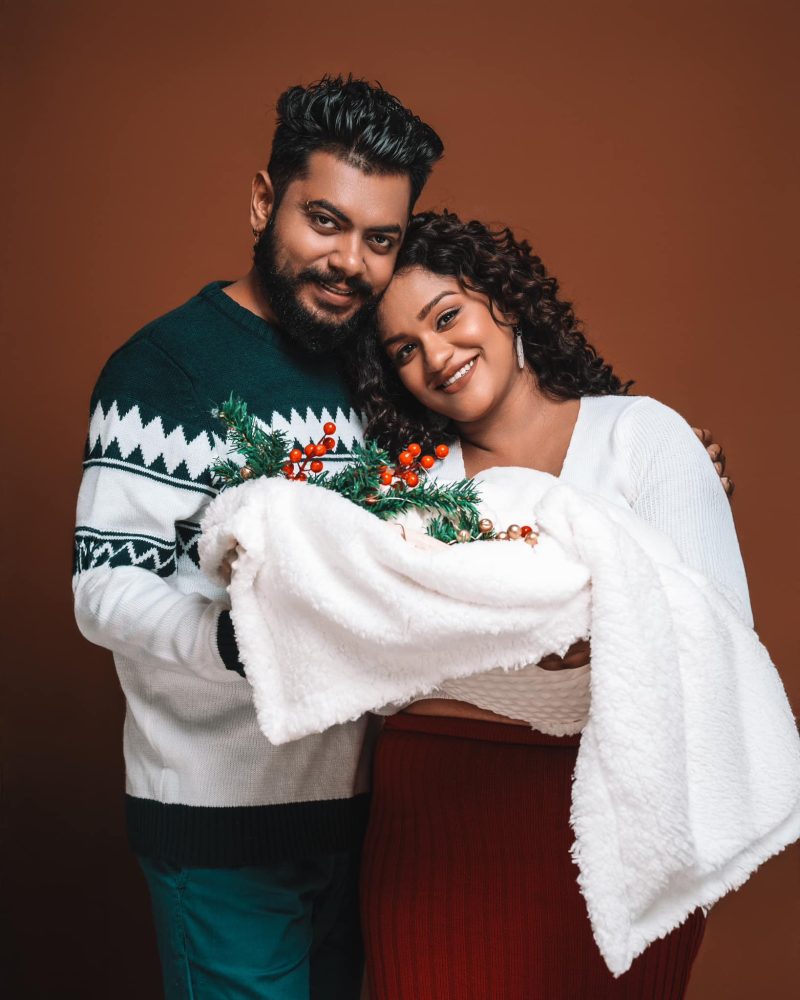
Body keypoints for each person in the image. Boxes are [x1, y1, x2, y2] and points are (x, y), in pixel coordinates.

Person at [72, 76, 443, 1000]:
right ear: (262, 201)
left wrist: (650, 452)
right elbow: (104, 589)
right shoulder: (163, 369)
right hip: (220, 830)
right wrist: (240, 640)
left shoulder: (377, 369)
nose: (349, 261)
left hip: (353, 822)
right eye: (325, 221)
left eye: (380, 239)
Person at [347, 210, 751, 998]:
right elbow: (378, 667)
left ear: (504, 299)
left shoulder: (643, 437)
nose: (436, 356)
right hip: (434, 822)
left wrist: (482, 643)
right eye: (404, 350)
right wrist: (592, 623)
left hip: (625, 826)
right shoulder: (411, 485)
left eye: (446, 316)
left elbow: (717, 642)